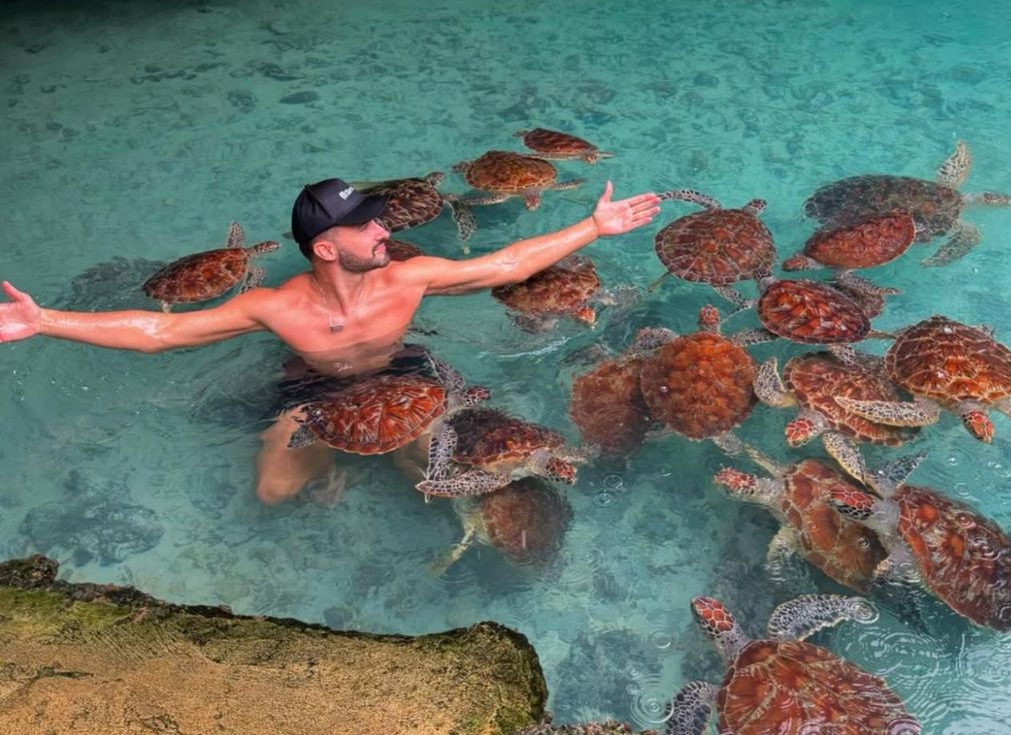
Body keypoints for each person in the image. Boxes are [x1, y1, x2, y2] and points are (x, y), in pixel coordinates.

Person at [0, 177, 660, 503]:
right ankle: (334, 458)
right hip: (313, 387)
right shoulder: (278, 309)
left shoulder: (408, 279)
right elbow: (162, 331)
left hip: (401, 371)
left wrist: (593, 228)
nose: (381, 230)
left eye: (376, 220)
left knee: (444, 475)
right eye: (365, 225)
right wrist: (45, 320)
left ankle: (397, 456)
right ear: (325, 247)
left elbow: (510, 264)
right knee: (273, 492)